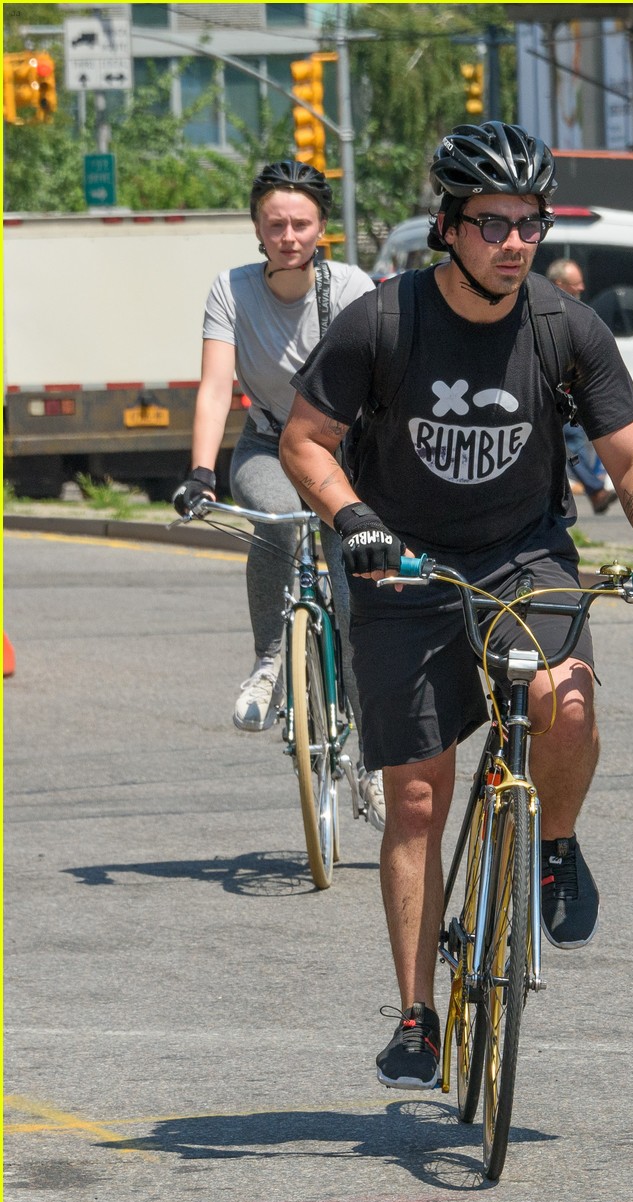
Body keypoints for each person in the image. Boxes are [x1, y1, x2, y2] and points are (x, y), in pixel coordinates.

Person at [279, 122, 633, 1090]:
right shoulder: (383, 324)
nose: (513, 241)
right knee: (420, 795)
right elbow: (306, 440)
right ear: (448, 227)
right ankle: (415, 1015)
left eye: (528, 221)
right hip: (402, 566)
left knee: (567, 699)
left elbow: (631, 455)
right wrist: (352, 519)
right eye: (491, 223)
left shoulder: (566, 326)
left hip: (525, 556)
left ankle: (553, 848)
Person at [172, 159, 385, 829]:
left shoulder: (351, 287)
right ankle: (270, 660)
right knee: (275, 517)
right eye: (275, 224)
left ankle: (371, 762)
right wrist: (201, 472)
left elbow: (386, 381)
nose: (288, 235)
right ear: (257, 230)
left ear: (322, 228)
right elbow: (213, 385)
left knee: (358, 610)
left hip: (344, 457)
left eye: (300, 223)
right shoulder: (231, 290)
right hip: (268, 444)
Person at [547, 257, 616, 514]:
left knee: (573, 443)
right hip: (552, 396)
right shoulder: (546, 314)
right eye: (575, 284)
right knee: (566, 447)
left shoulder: (580, 316)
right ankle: (594, 491)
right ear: (559, 284)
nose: (582, 289)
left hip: (573, 395)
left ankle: (594, 491)